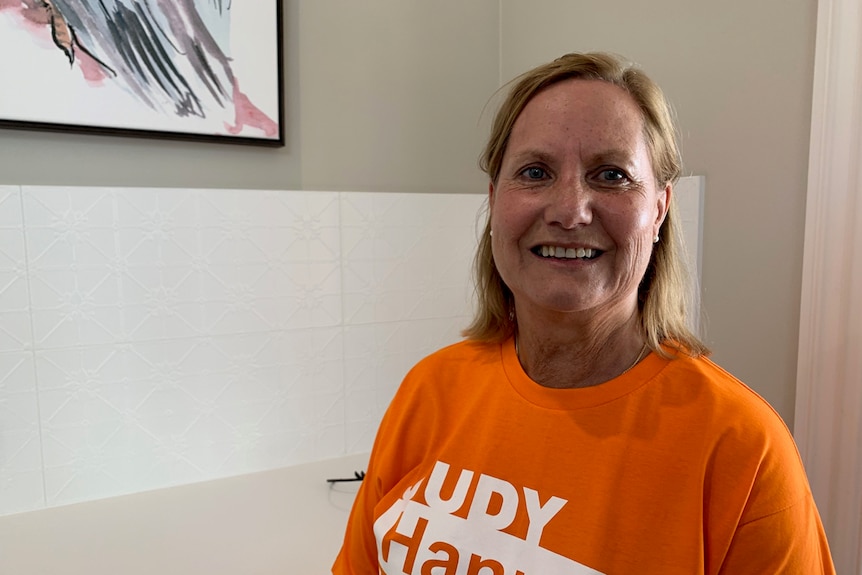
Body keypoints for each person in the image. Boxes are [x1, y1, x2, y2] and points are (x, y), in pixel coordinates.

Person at [332, 52, 834, 574]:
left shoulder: (742, 448)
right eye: (534, 172)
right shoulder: (429, 391)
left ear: (660, 208)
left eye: (612, 175)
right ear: (494, 200)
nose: (569, 211)